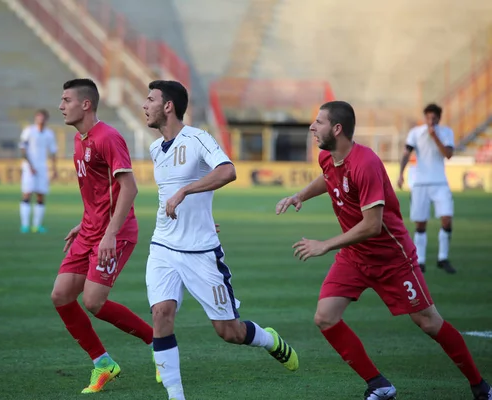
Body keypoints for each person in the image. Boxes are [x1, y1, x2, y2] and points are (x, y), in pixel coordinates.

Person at [275, 100, 490, 400]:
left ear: (337, 129)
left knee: (428, 322)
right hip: (355, 257)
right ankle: (379, 385)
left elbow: (372, 225)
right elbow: (328, 178)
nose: (312, 126)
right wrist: (300, 195)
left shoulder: (366, 163)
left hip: (392, 259)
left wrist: (324, 244)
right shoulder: (329, 157)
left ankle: (481, 386)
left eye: (319, 122)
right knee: (325, 317)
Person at [143, 80, 299, 400]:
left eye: (150, 99)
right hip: (162, 246)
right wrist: (191, 209)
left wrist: (186, 191)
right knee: (161, 314)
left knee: (229, 332)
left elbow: (228, 171)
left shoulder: (198, 138)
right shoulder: (154, 149)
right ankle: (176, 396)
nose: (144, 105)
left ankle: (269, 340)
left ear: (168, 106)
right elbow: (167, 197)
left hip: (201, 252)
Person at [53, 78, 155, 394]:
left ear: (86, 104)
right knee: (61, 296)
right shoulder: (78, 140)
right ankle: (103, 363)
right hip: (90, 231)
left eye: (66, 99)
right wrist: (83, 223)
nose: (61, 106)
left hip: (117, 232)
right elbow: (97, 193)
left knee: (94, 301)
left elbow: (130, 188)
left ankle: (158, 340)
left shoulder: (108, 137)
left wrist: (109, 233)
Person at [398, 103, 456, 273]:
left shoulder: (446, 132)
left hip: (440, 182)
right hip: (420, 183)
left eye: (434, 117)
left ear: (439, 117)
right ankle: (420, 261)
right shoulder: (415, 133)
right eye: (428, 117)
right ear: (425, 117)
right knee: (420, 223)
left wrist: (435, 136)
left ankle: (442, 258)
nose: (431, 120)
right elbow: (406, 154)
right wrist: (401, 174)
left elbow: (449, 154)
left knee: (447, 218)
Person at [19, 109, 58, 233]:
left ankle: (37, 225)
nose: (40, 120)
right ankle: (25, 225)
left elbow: (52, 152)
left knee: (41, 195)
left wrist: (54, 169)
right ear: (36, 118)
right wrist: (30, 166)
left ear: (46, 119)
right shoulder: (28, 131)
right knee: (27, 193)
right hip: (28, 167)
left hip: (42, 167)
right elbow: (23, 149)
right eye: (38, 117)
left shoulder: (49, 134)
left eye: (43, 118)